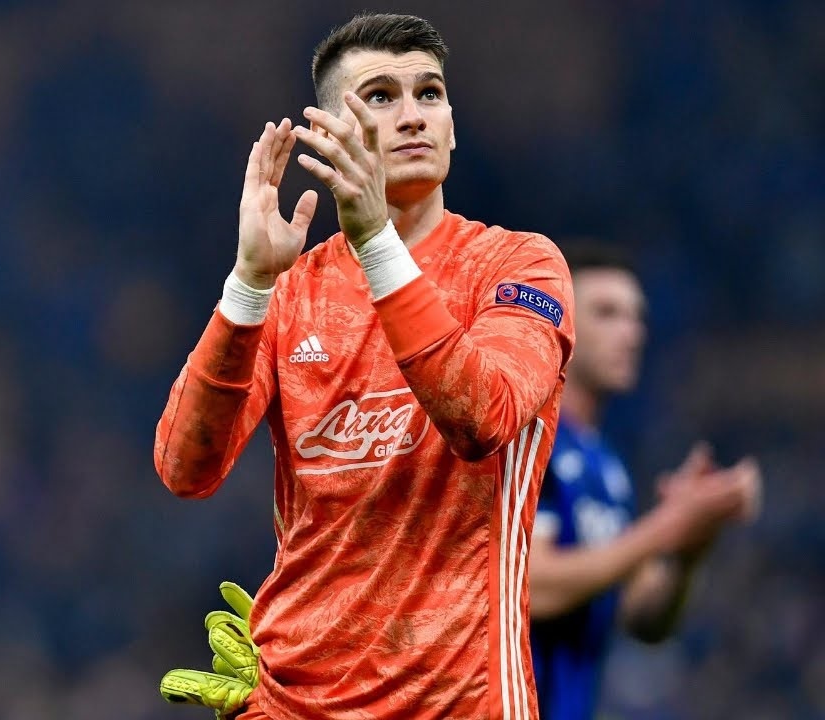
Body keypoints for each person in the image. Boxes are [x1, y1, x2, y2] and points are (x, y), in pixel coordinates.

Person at [155, 13, 574, 719]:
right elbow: (184, 468)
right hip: (292, 703)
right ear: (330, 135)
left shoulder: (517, 266)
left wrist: (376, 241)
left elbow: (484, 418)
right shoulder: (291, 292)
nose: (413, 115)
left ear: (452, 127)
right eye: (381, 96)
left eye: (430, 93)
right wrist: (249, 284)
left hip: (458, 703)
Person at [527, 243, 761, 720]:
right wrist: (665, 527)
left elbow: (643, 619)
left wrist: (691, 548)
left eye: (637, 317)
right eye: (607, 313)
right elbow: (530, 591)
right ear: (558, 324)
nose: (632, 333)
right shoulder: (527, 440)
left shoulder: (606, 466)